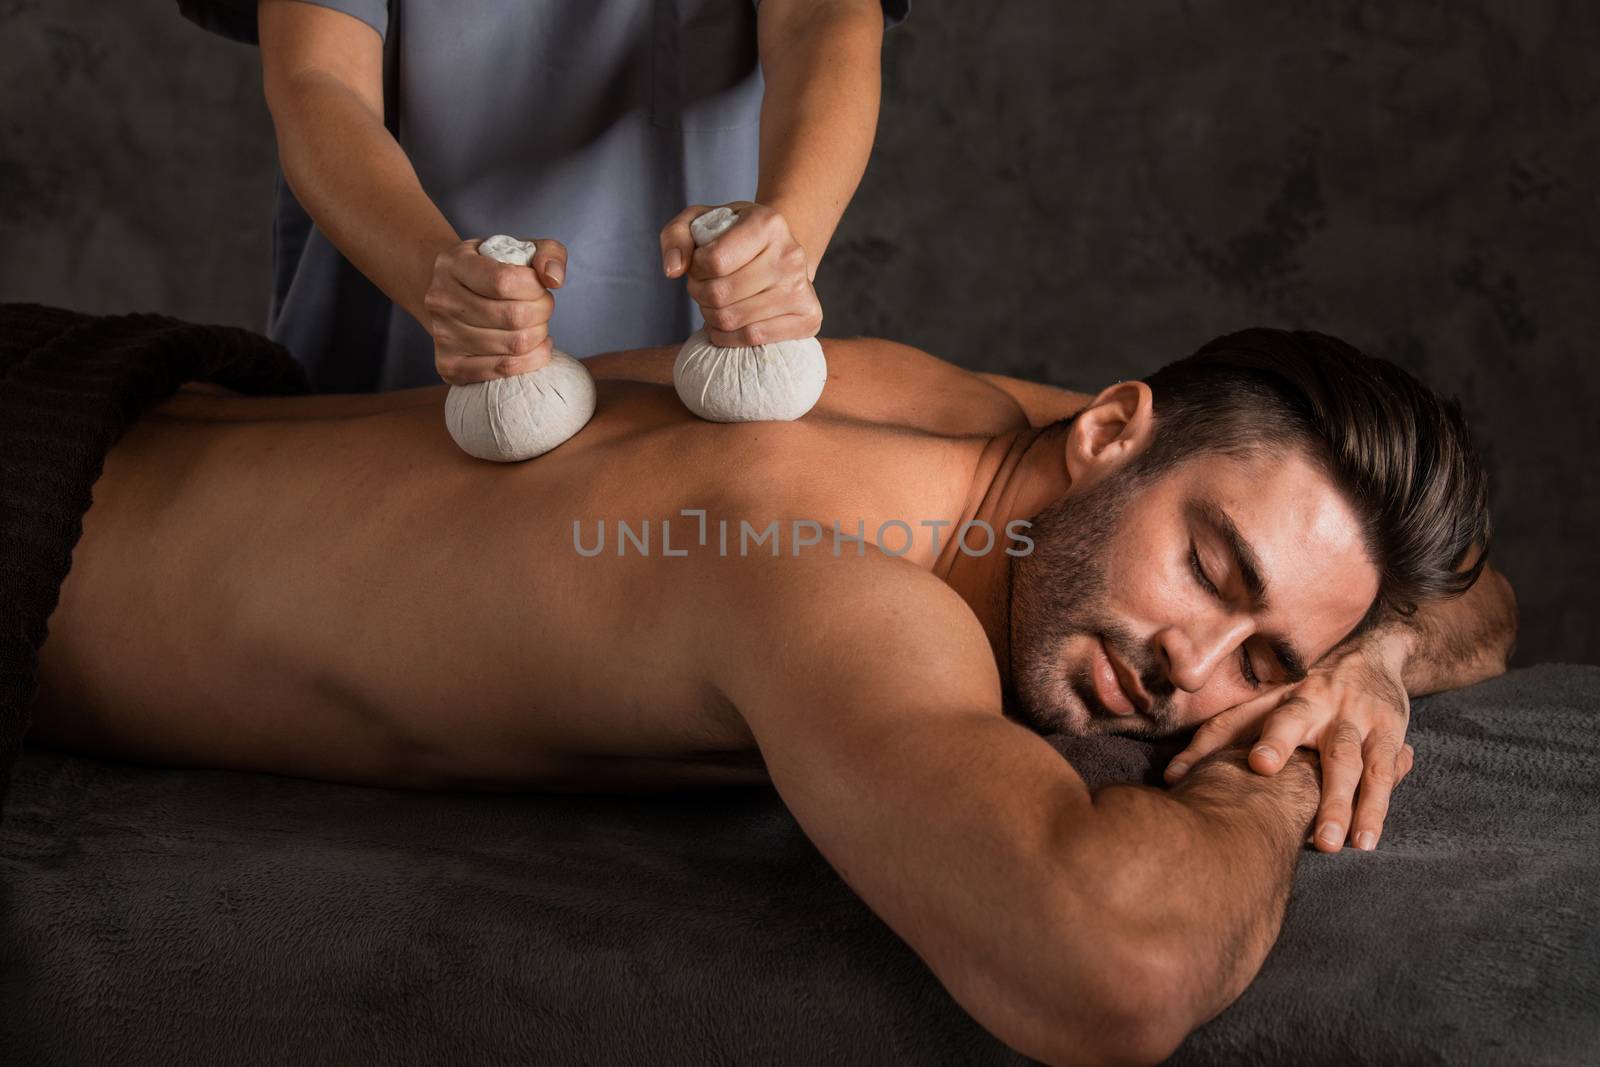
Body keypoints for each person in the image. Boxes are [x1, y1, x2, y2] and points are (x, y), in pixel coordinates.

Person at [31, 327, 1514, 1065]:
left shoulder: (1019, 441)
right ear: (1116, 430)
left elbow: (1478, 594)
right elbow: (1112, 967)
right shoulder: (835, 588)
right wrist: (1267, 761)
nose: (1190, 670)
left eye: (1264, 658)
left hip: (119, 400)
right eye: (1210, 569)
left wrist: (1363, 659)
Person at [205, 0, 905, 391]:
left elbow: (823, 16)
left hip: (704, 351)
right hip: (399, 342)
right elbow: (318, 76)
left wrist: (787, 242)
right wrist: (434, 276)